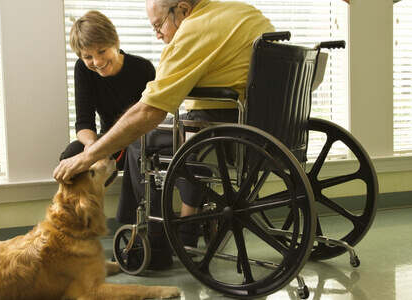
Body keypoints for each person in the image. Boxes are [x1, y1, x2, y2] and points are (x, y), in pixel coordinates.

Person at [54, 0, 275, 269]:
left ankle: (151, 239)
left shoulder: (191, 32)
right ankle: (175, 228)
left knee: (141, 142)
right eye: (88, 57)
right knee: (167, 139)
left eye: (159, 25)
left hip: (220, 130)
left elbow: (148, 113)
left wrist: (90, 157)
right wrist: (90, 151)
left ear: (182, 10)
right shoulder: (245, 12)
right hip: (260, 130)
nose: (157, 34)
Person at [59, 10, 156, 169]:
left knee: (138, 151)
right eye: (88, 57)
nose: (97, 61)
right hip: (105, 143)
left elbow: (146, 120)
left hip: (138, 142)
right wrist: (91, 145)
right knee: (71, 153)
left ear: (115, 42)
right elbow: (84, 122)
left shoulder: (143, 69)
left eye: (102, 51)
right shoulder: (83, 70)